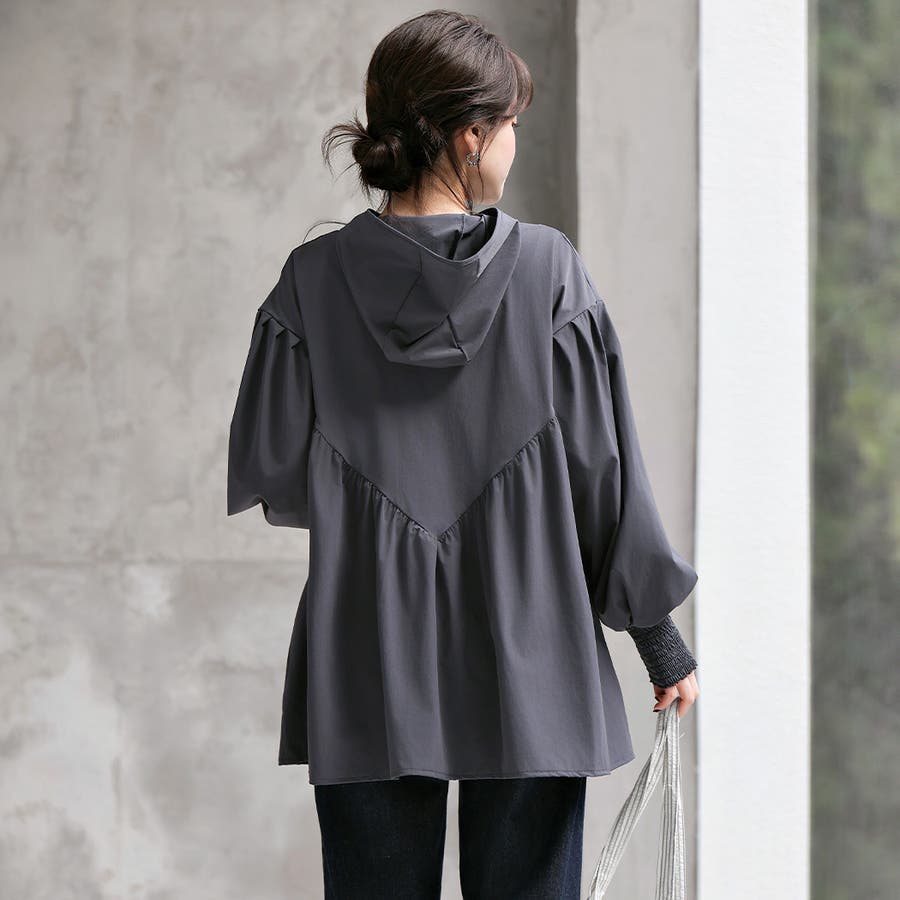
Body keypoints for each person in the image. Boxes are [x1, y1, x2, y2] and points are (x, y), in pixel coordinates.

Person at [226, 9, 700, 898]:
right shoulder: (550, 273)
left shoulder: (311, 281)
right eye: (510, 122)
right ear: (470, 136)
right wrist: (660, 643)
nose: (514, 141)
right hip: (533, 649)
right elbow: (602, 479)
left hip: (367, 648)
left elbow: (277, 466)